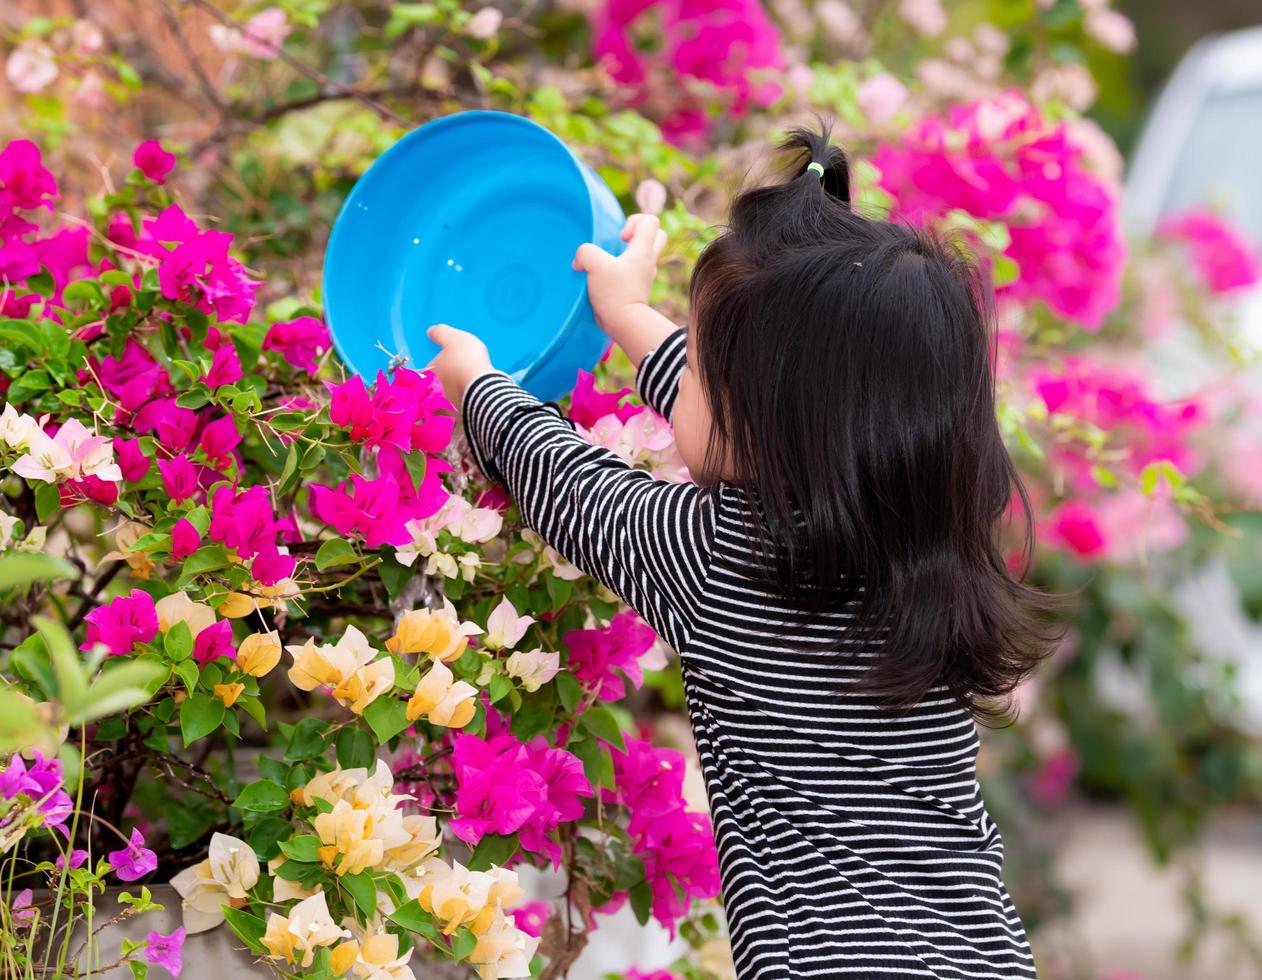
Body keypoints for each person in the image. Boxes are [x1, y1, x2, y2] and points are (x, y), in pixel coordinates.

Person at [426, 126, 1053, 979]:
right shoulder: (924, 542)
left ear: (766, 420)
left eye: (703, 362)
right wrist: (628, 318)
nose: (687, 373)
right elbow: (755, 409)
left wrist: (479, 385)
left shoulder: (720, 558)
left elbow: (560, 480)